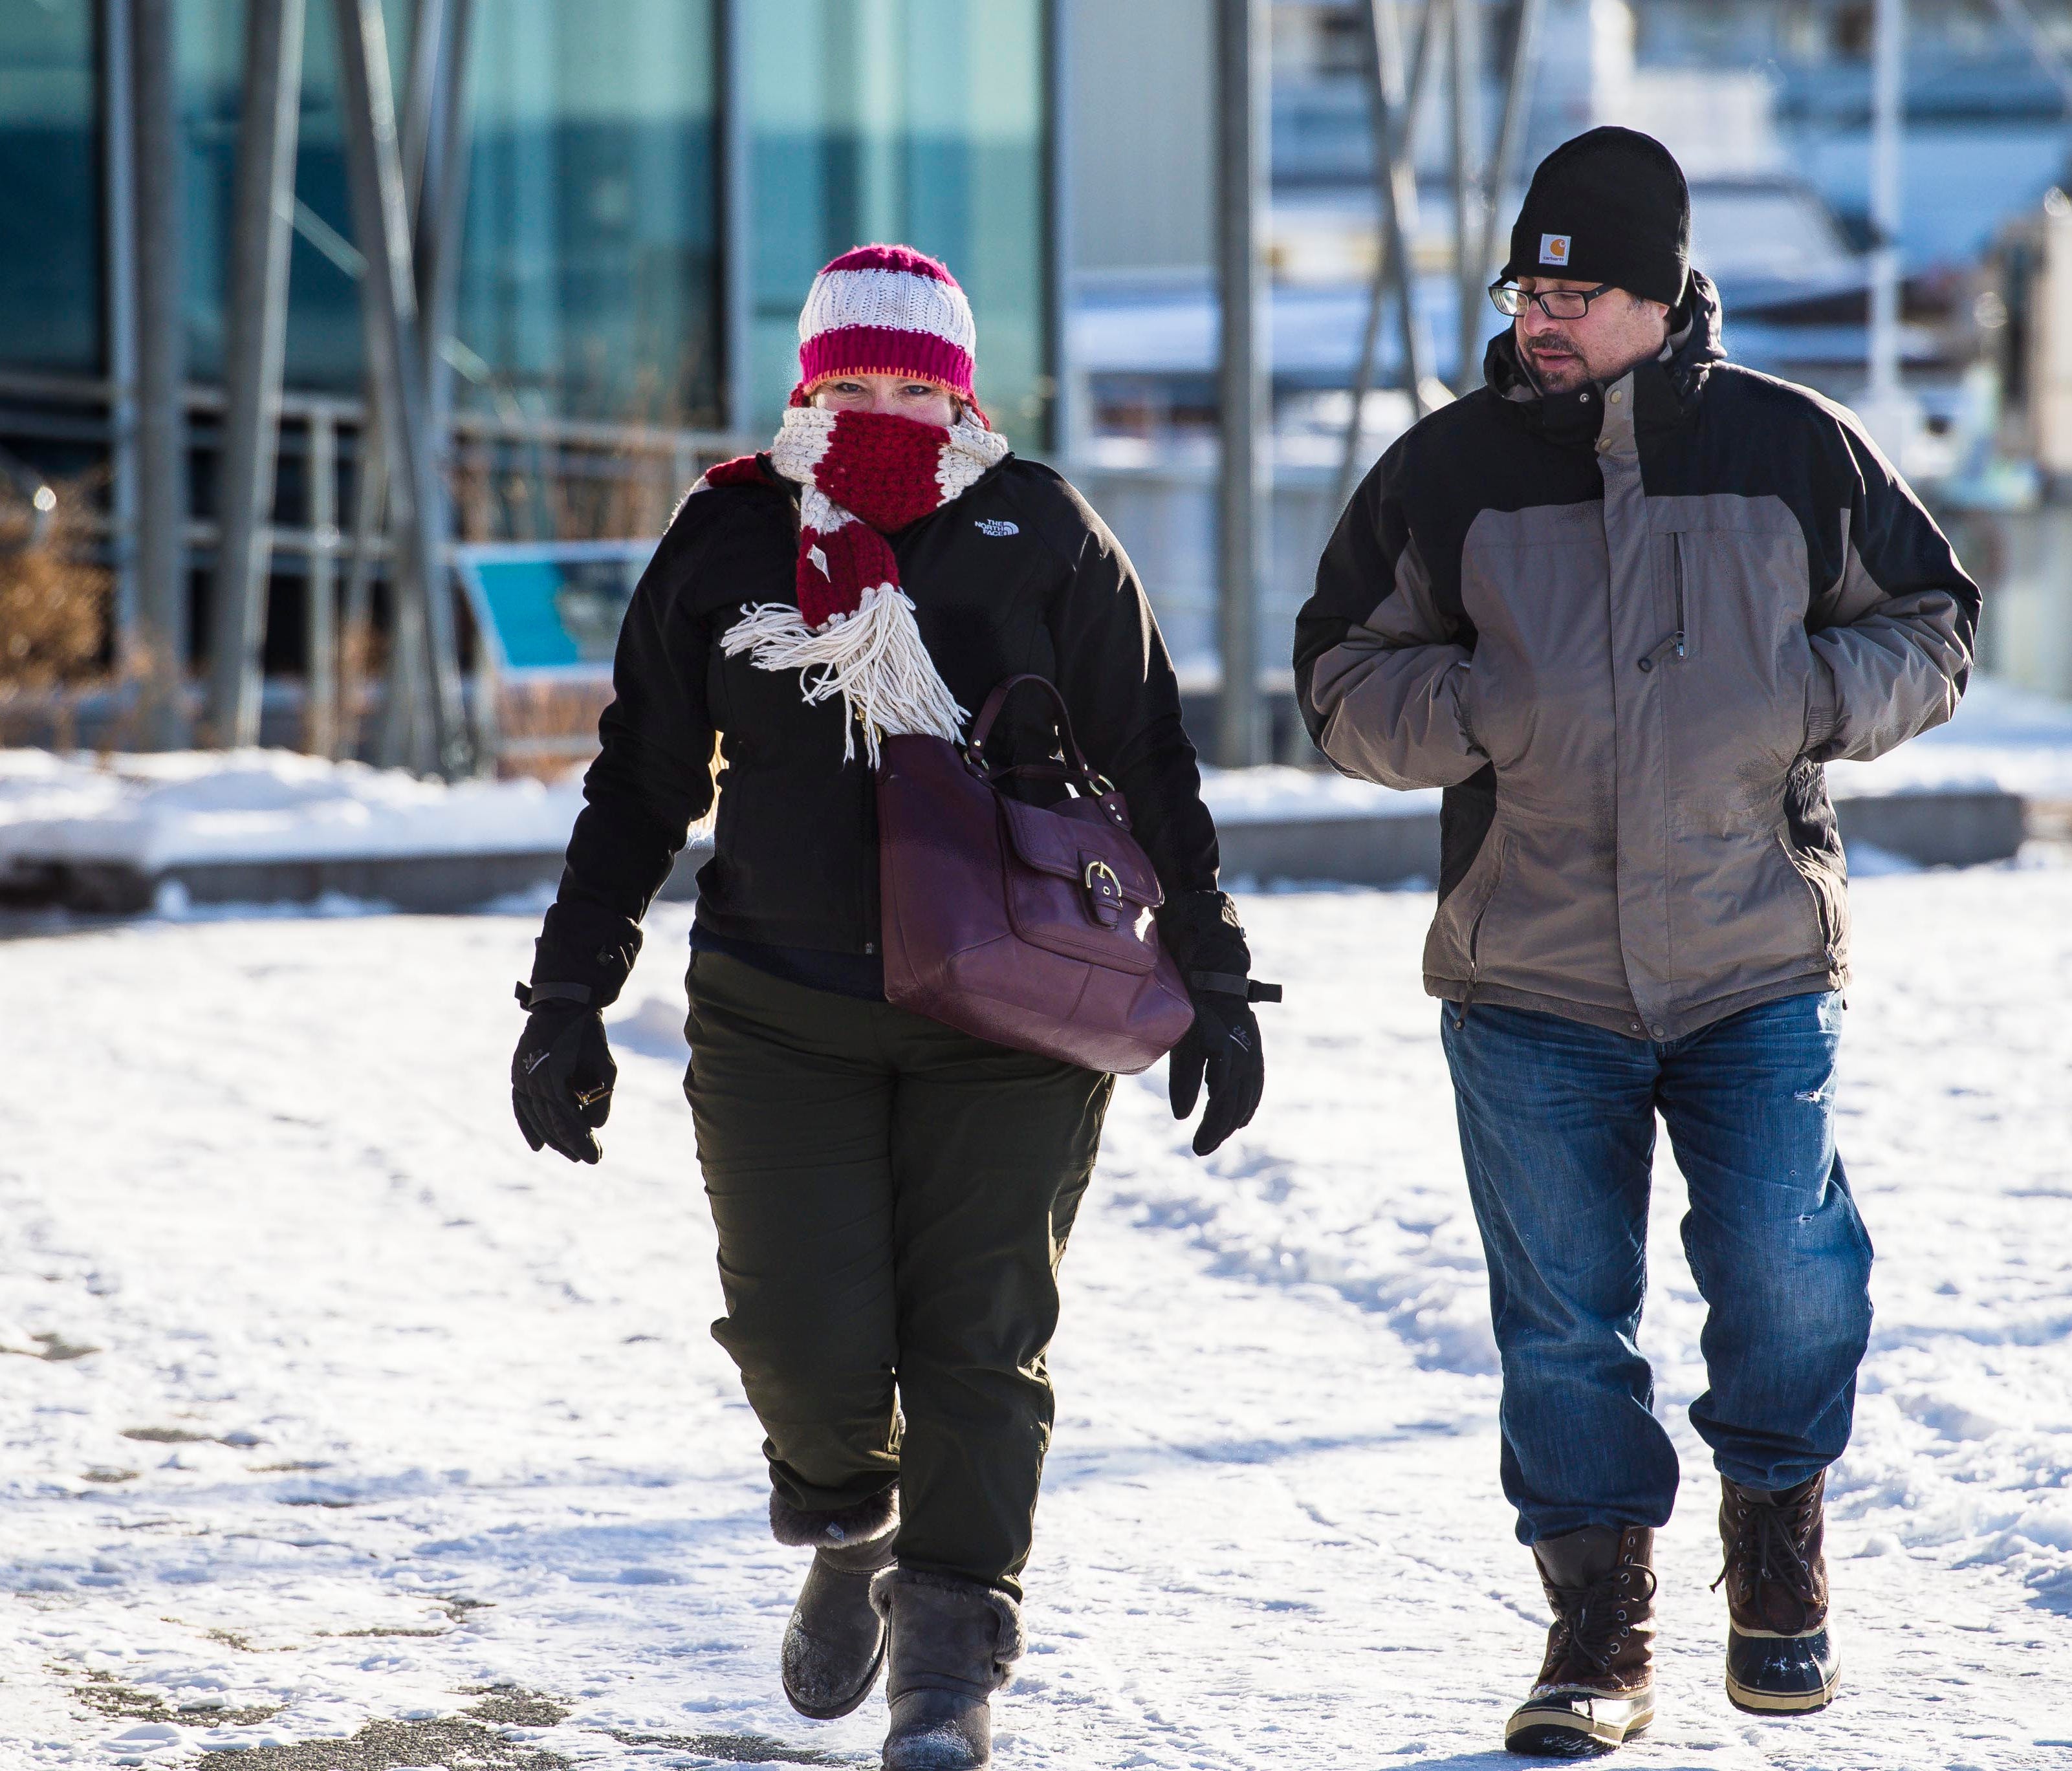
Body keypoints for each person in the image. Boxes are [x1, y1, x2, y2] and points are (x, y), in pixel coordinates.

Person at [510, 244, 1270, 1770]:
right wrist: (570, 995)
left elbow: (1151, 763)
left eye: (913, 386)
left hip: (1013, 1017)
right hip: (779, 1015)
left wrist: (1215, 972)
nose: (881, 411)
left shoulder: (1039, 530)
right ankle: (849, 1521)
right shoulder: (730, 538)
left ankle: (949, 1664)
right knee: (803, 1340)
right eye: (850, 382)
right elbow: (642, 781)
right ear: (805, 384)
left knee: (983, 1339)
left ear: (963, 390)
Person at [1294, 129, 1976, 1757]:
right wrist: (1478, 708)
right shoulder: (1445, 469)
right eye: (1526, 286)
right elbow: (1334, 678)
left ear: (1659, 297)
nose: (1539, 315)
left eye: (1574, 289)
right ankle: (1598, 1626)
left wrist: (1805, 696)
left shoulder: (1796, 448)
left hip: (1751, 957)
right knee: (1562, 1323)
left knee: (1787, 1277)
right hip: (1527, 975)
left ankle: (1775, 1547)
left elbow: (1935, 628)